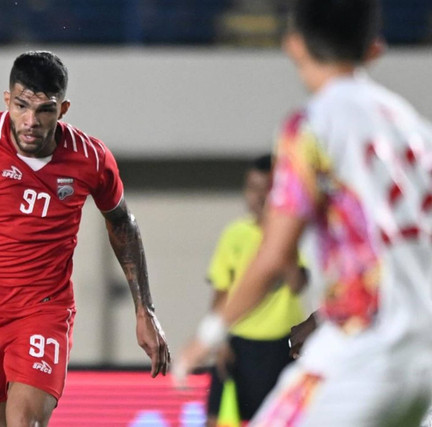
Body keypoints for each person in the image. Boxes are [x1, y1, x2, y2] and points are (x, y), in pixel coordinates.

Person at [175, 0, 432, 425]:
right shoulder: (417, 132)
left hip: (363, 355)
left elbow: (275, 255)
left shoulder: (312, 126)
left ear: (294, 45)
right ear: (374, 48)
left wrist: (208, 334)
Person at [0, 51, 170, 426]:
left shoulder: (89, 158)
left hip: (43, 312)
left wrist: (145, 310)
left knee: (24, 421)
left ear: (63, 109)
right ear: (7, 100)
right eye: (21, 105)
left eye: (44, 109)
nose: (30, 121)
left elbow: (123, 223)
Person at [177, 154, 307, 426]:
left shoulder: (296, 235)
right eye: (252, 188)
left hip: (283, 345)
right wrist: (218, 340)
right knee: (217, 418)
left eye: (267, 189)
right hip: (238, 344)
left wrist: (281, 239)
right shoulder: (234, 235)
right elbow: (221, 293)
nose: (259, 197)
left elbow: (297, 284)